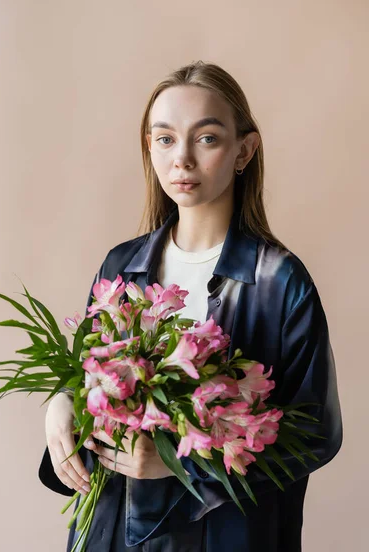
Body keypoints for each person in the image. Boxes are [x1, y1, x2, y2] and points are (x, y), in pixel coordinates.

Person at [38, 60, 343, 551]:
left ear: (244, 151)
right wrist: (61, 401)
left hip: (224, 537)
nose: (181, 159)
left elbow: (315, 434)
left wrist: (188, 464)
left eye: (206, 138)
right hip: (114, 528)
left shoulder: (278, 281)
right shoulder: (123, 266)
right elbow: (90, 372)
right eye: (164, 139)